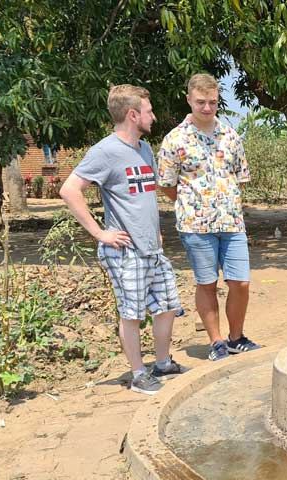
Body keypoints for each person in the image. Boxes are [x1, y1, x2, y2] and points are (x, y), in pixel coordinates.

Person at [60, 85, 185, 395]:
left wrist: (153, 227)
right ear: (133, 115)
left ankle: (162, 362)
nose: (154, 117)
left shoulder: (143, 149)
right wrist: (100, 233)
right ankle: (139, 373)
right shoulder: (104, 151)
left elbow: (145, 194)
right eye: (149, 111)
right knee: (131, 313)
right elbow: (69, 190)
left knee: (167, 306)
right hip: (125, 250)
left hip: (151, 247)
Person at [157, 73, 259, 361]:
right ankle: (215, 342)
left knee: (240, 283)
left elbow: (239, 178)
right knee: (207, 283)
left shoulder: (230, 135)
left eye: (212, 102)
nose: (206, 108)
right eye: (200, 102)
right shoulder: (174, 140)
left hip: (231, 222)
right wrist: (191, 203)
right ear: (189, 99)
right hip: (195, 225)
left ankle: (236, 338)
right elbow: (166, 184)